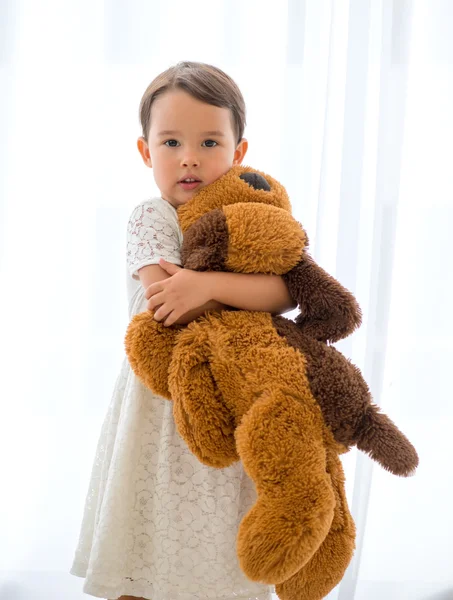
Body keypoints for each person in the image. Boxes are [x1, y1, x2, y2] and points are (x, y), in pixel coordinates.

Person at [70, 61, 297, 600]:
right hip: (162, 411)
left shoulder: (250, 218)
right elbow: (167, 300)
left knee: (224, 556)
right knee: (144, 555)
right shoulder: (152, 216)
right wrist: (214, 289)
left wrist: (204, 285)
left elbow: (289, 290)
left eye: (209, 142)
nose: (188, 157)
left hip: (230, 407)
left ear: (239, 153)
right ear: (146, 152)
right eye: (170, 142)